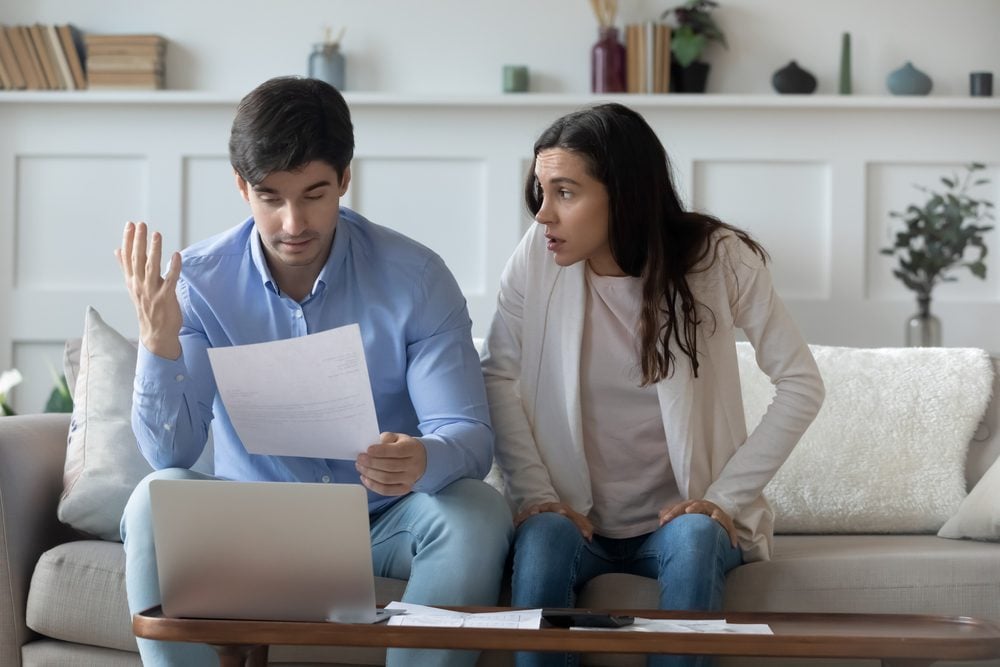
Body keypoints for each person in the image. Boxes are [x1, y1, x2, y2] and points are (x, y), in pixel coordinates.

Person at [116, 76, 512, 667]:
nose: (293, 222)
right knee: (152, 498)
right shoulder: (198, 284)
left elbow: (468, 434)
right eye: (271, 197)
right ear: (241, 188)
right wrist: (158, 339)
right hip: (256, 522)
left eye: (314, 193)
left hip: (383, 519)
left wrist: (425, 456)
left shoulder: (417, 278)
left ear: (345, 179)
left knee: (477, 510)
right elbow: (171, 453)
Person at [480, 103, 825, 667]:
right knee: (542, 541)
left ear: (625, 193)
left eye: (565, 192)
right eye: (540, 192)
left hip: (681, 519)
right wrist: (538, 492)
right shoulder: (535, 261)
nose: (543, 215)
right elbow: (496, 373)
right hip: (577, 518)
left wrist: (722, 499)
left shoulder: (718, 260)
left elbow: (801, 384)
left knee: (693, 542)